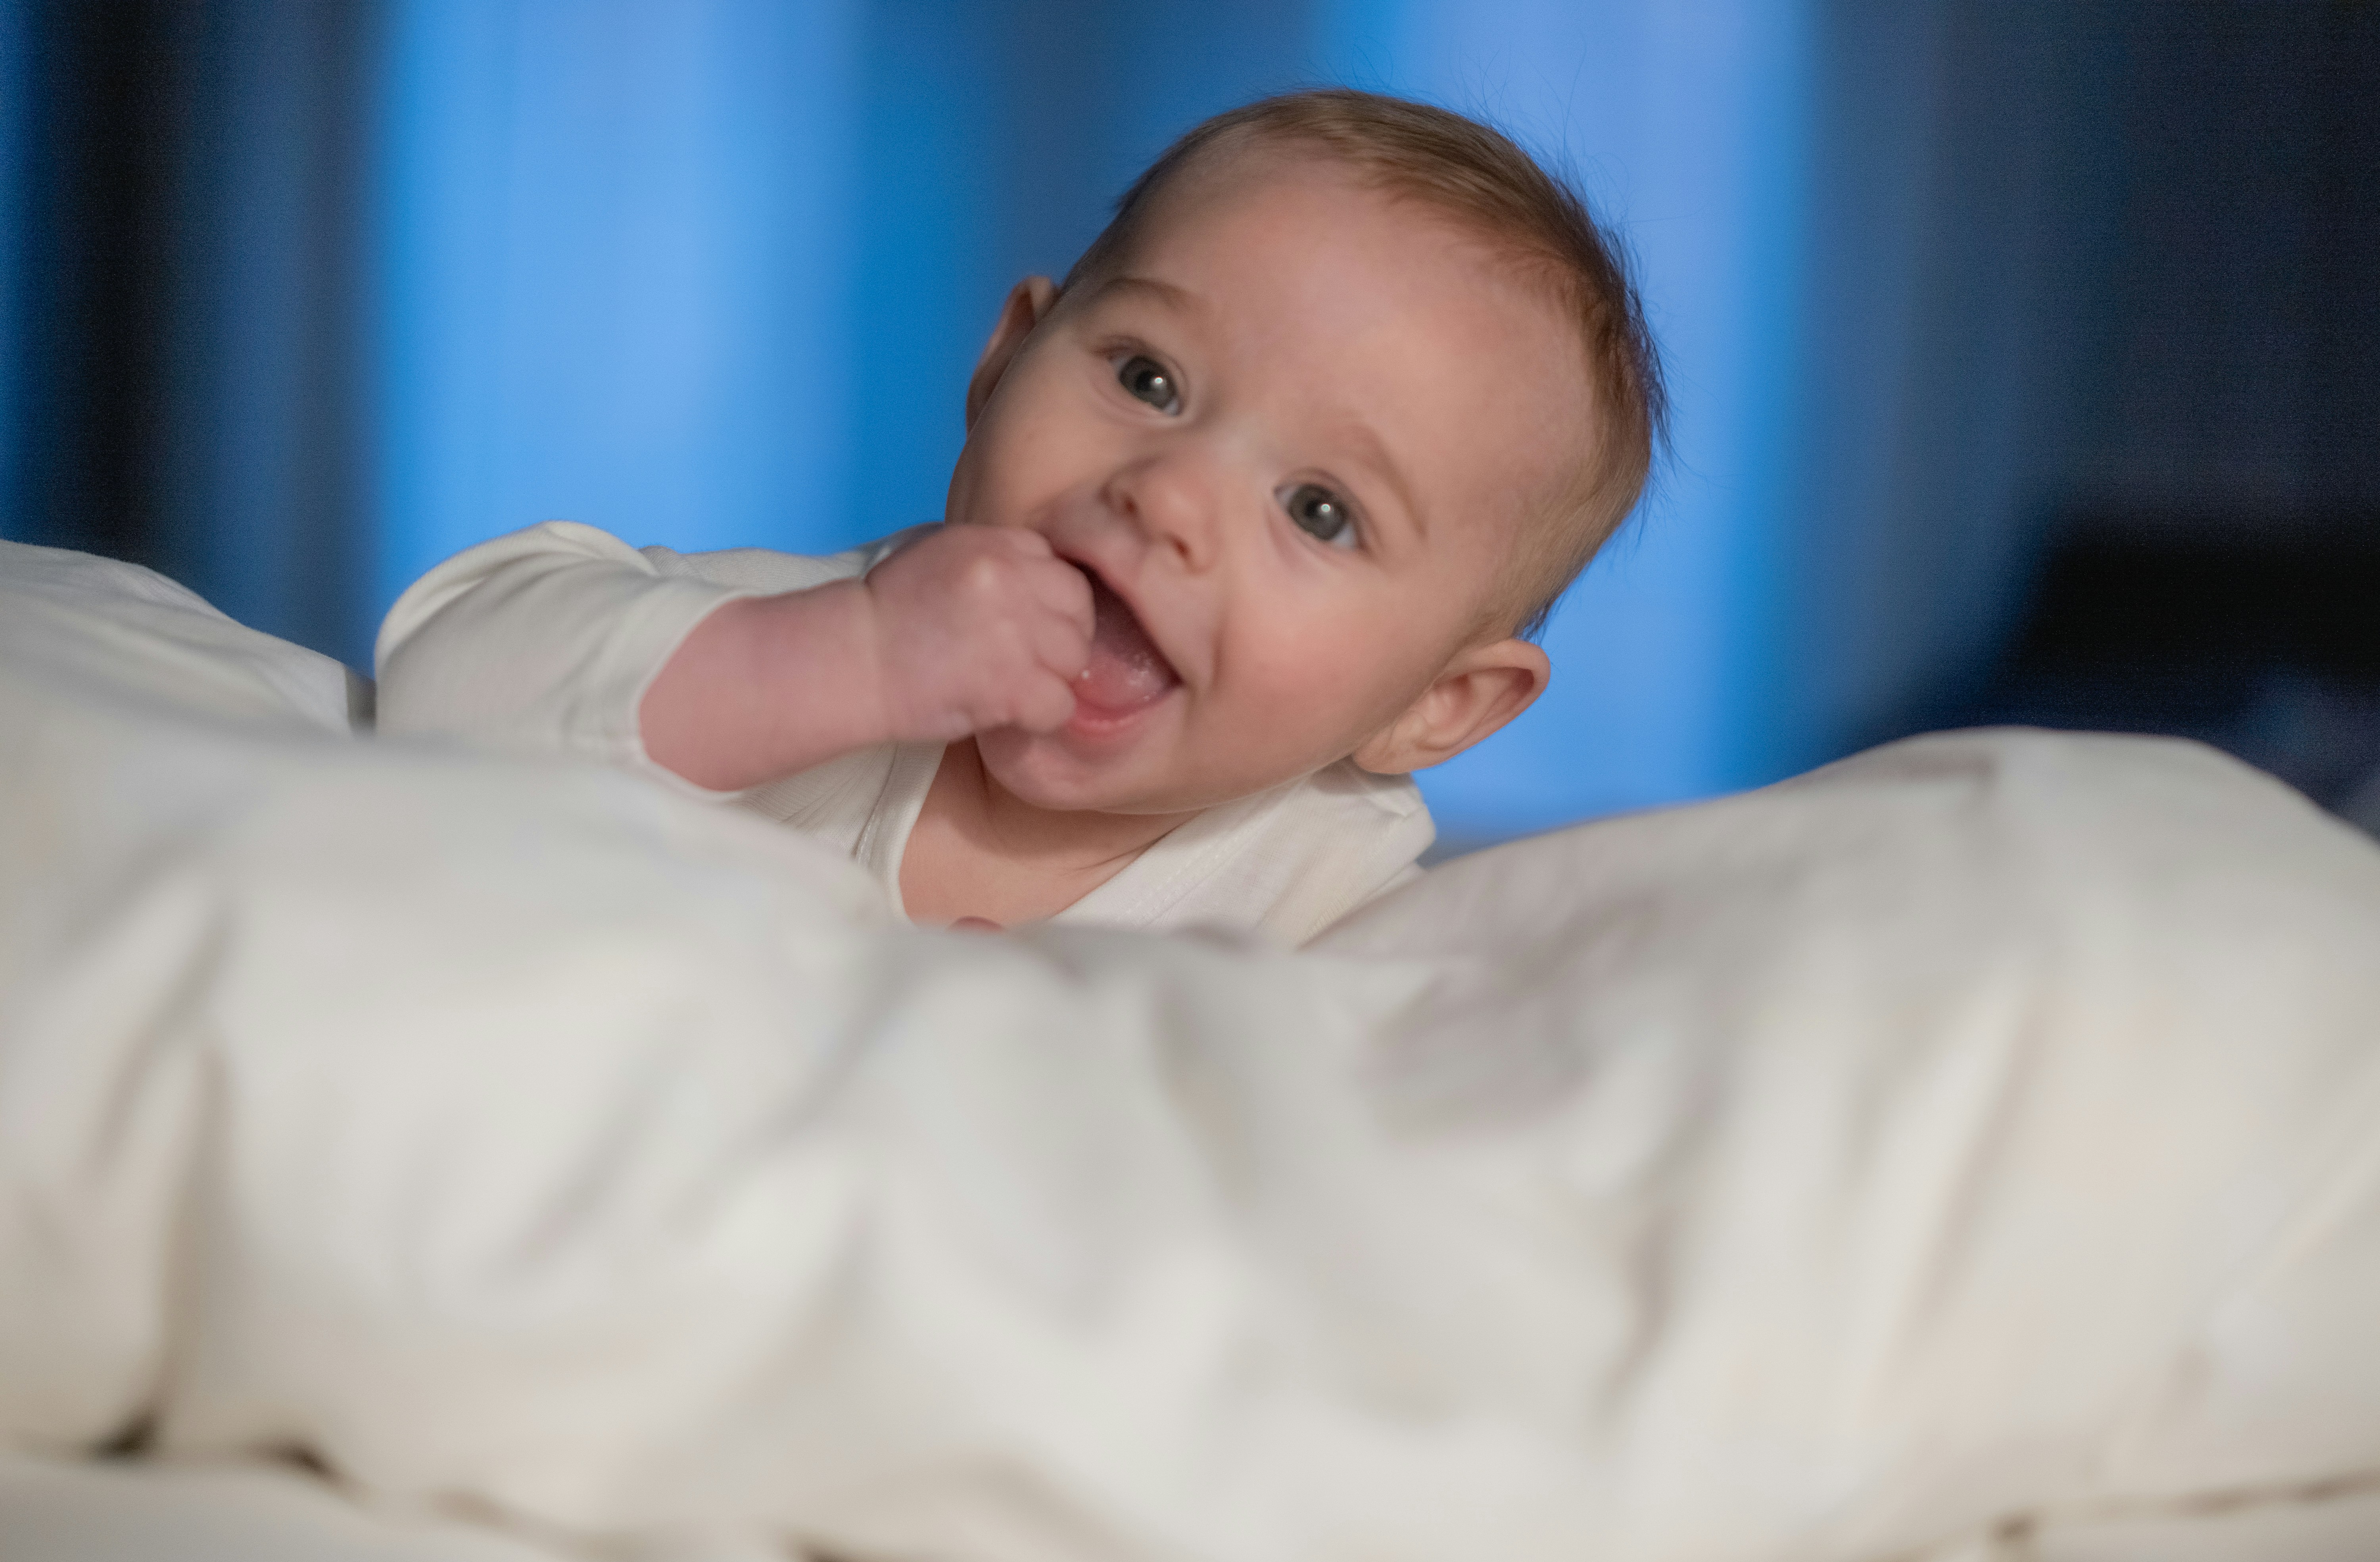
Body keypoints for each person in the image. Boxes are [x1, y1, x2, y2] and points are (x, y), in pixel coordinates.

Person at [375, 88, 1666, 945]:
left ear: (1435, 705)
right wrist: (835, 662)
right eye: (1147, 379)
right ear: (1002, 366)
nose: (1168, 495)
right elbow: (443, 678)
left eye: (1319, 511)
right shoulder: (808, 640)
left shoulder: (1333, 915)